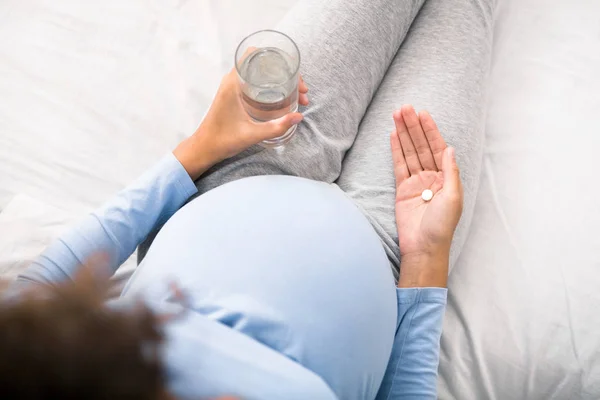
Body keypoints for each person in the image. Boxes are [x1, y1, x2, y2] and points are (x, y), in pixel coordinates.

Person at [0, 0, 495, 398]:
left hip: (245, 166)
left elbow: (38, 292)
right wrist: (426, 262)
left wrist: (197, 150)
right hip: (398, 237)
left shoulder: (40, 367)